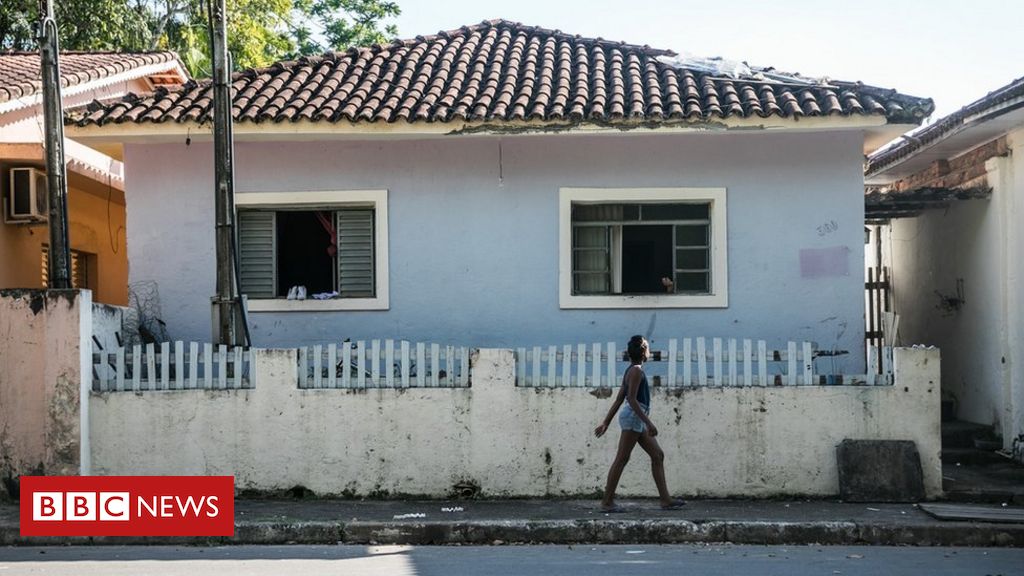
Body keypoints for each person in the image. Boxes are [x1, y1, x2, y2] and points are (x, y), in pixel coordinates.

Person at [594, 335, 685, 512]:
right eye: (648, 348)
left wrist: (606, 422)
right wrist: (649, 423)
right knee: (622, 459)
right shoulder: (636, 371)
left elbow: (620, 399)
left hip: (634, 417)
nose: (650, 351)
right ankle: (607, 503)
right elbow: (632, 400)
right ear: (644, 352)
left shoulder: (630, 370)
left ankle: (666, 500)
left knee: (657, 455)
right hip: (635, 416)